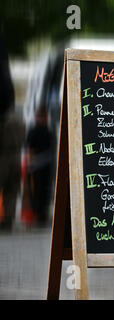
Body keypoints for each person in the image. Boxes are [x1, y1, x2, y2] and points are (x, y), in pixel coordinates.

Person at [0, 37, 24, 231]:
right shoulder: (18, 121)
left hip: (4, 157)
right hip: (15, 157)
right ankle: (8, 219)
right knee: (12, 190)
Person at [25, 108, 55, 226]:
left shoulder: (37, 131)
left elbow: (28, 146)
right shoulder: (44, 131)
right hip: (41, 165)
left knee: (41, 190)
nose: (41, 119)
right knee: (39, 190)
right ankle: (39, 214)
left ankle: (40, 214)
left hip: (40, 165)